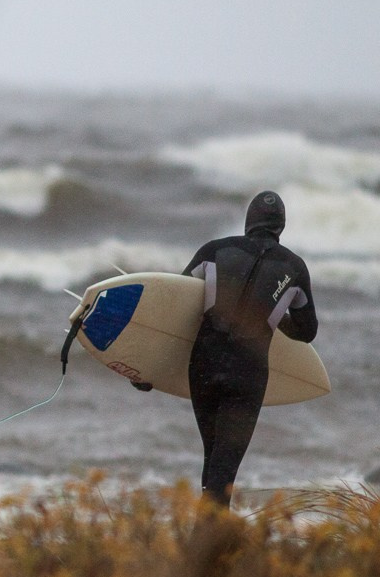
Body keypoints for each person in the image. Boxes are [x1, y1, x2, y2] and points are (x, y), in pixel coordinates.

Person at [135, 191, 318, 507]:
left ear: (249, 222)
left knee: (215, 463)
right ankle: (209, 535)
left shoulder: (214, 250)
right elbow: (307, 331)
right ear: (281, 227)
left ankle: (208, 534)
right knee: (223, 472)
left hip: (204, 366)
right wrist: (274, 315)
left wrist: (149, 369)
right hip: (247, 375)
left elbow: (175, 306)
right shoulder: (294, 268)